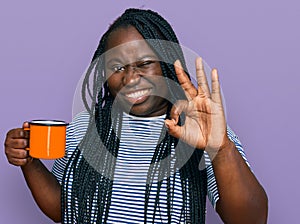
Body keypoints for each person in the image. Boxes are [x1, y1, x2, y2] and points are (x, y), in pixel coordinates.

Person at [4, 8, 268, 224]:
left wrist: (220, 149)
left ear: (166, 64)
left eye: (144, 64)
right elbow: (66, 210)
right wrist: (30, 163)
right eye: (117, 67)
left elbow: (251, 220)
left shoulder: (203, 129)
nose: (130, 78)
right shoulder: (84, 128)